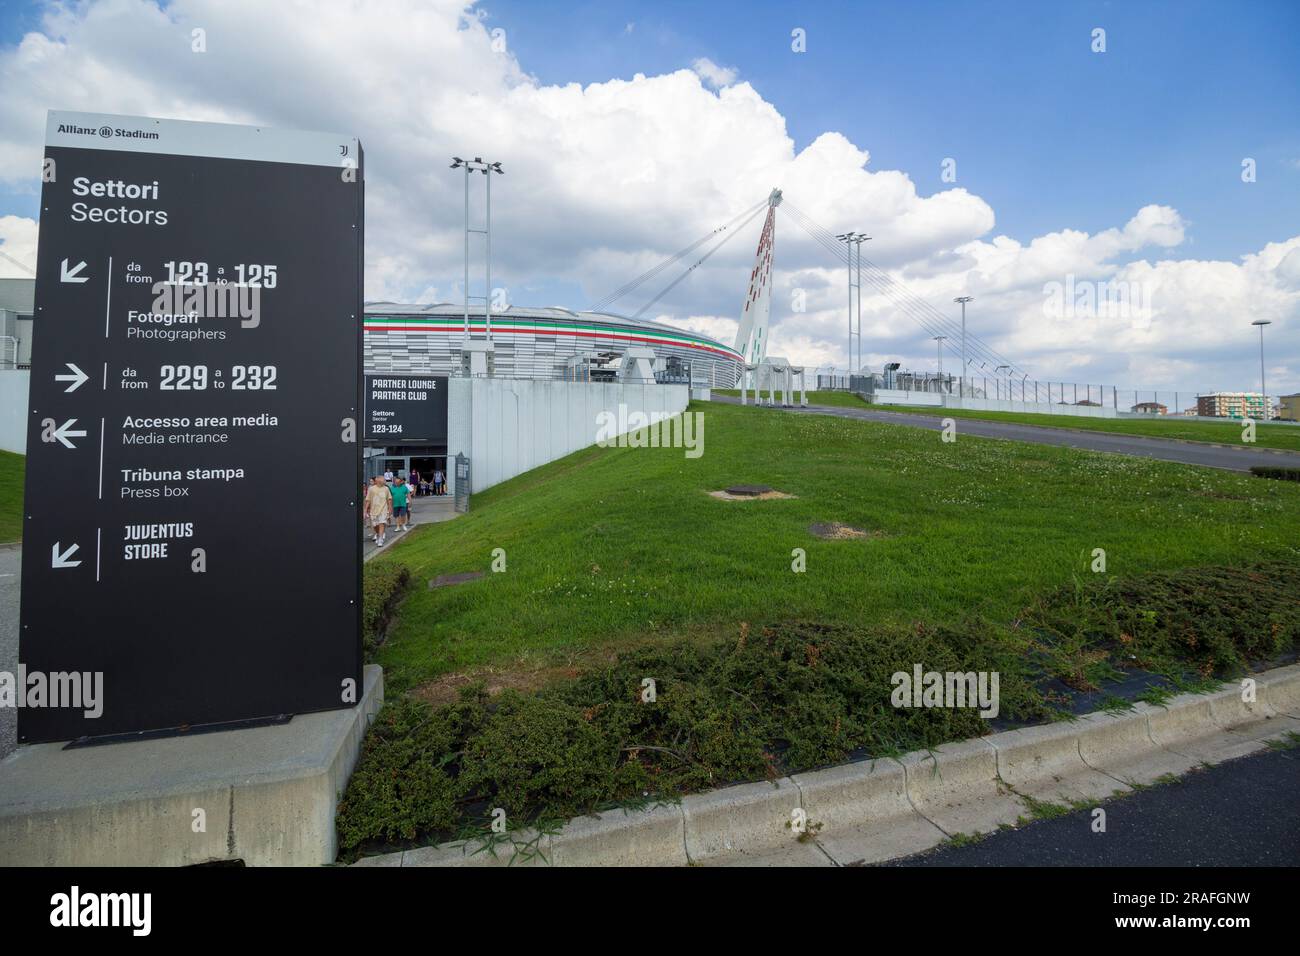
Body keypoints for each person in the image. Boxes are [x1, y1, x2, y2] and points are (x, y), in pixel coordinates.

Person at [364, 475, 393, 547]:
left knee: (382, 523)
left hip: (383, 510)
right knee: (375, 525)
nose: (385, 481)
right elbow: (368, 500)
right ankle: (377, 534)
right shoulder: (371, 489)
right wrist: (365, 510)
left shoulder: (386, 489)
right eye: (384, 480)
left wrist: (390, 509)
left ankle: (380, 539)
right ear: (378, 481)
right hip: (373, 510)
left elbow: (389, 499)